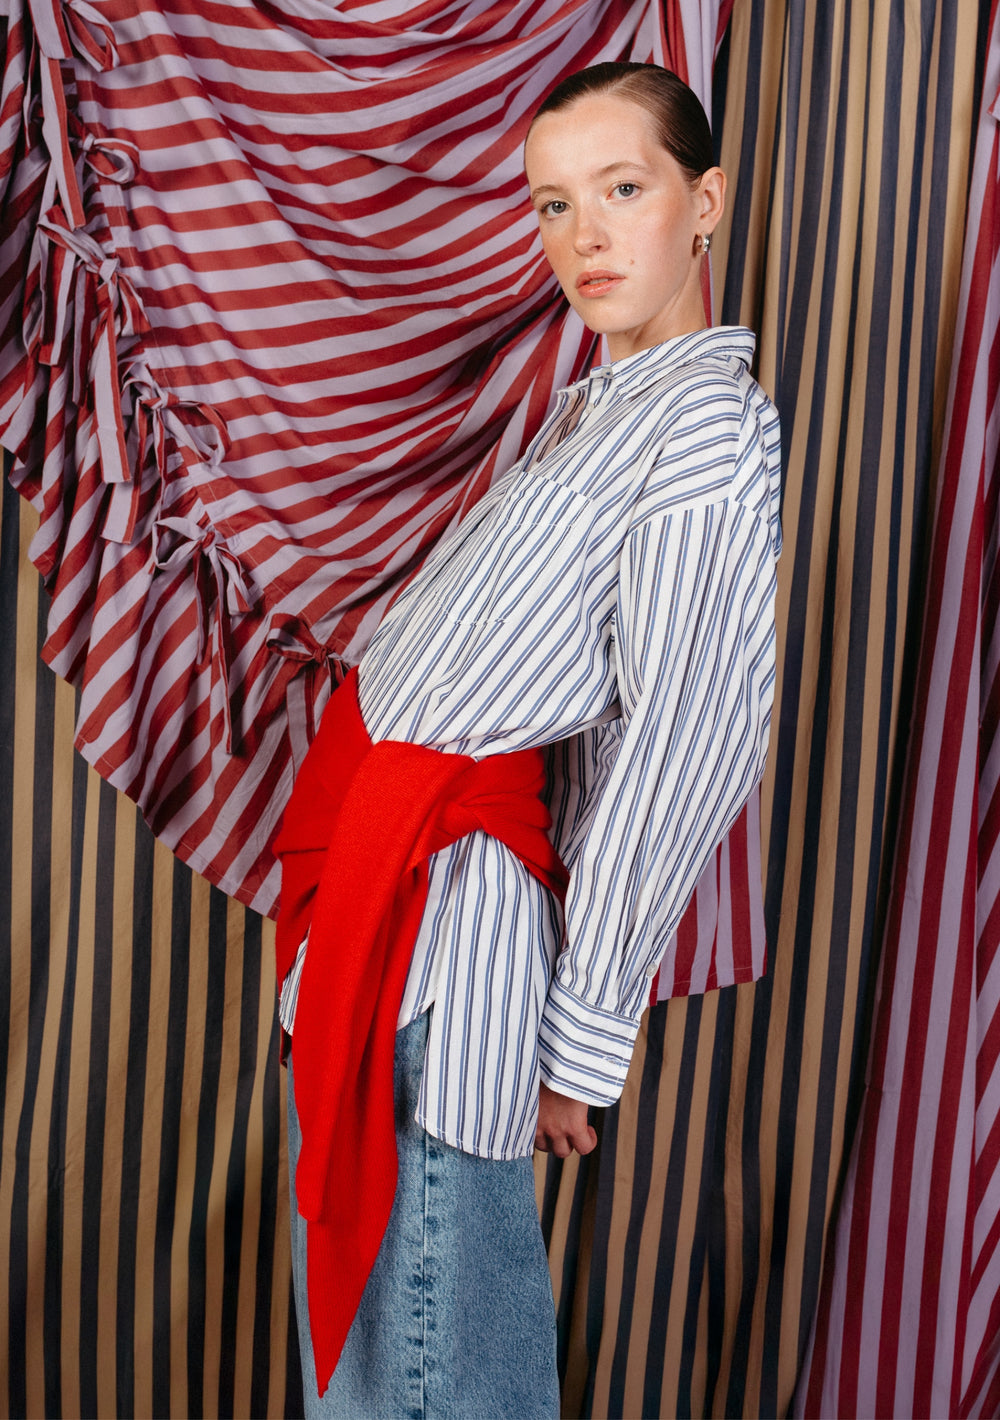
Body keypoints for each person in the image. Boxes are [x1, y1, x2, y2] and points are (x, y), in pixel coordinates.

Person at [274, 60, 782, 1420]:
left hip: (451, 953)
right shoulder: (588, 420)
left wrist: (581, 1034)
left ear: (706, 200)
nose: (588, 237)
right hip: (380, 931)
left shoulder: (705, 428)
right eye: (555, 206)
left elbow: (686, 740)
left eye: (625, 189)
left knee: (434, 1382)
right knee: (383, 1377)